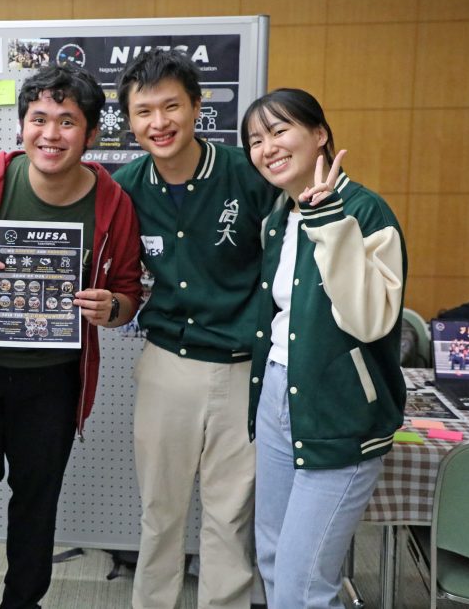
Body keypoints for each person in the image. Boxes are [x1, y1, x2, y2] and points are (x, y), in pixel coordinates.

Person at [0, 65, 142, 609]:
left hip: (52, 380)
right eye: (38, 118)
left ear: (91, 134)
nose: (51, 133)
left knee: (36, 503)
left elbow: (127, 294)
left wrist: (110, 308)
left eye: (68, 121)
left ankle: (25, 601)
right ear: (21, 127)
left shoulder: (112, 202)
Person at [112, 49, 279, 609]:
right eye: (143, 112)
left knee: (230, 515)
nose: (158, 123)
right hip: (166, 366)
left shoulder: (247, 174)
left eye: (170, 107)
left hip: (242, 369)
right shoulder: (127, 185)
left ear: (197, 108)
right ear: (129, 121)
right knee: (161, 511)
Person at [242, 88, 406, 608]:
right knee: (270, 558)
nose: (267, 147)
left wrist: (330, 220)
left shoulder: (363, 210)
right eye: (255, 140)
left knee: (304, 585)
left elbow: (370, 319)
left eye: (280, 130)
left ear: (319, 135)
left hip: (340, 409)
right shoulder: (276, 218)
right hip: (277, 395)